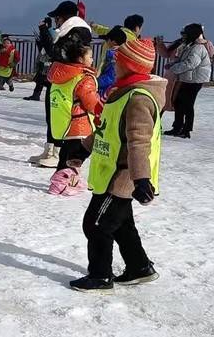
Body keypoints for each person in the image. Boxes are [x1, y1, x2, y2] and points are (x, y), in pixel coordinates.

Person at [70, 37, 165, 292]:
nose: (113, 64)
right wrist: (82, 149)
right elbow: (105, 129)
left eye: (117, 61)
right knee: (121, 225)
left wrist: (141, 179)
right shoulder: (120, 93)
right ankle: (140, 267)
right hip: (109, 172)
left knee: (97, 224)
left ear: (129, 66)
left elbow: (139, 141)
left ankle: (100, 276)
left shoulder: (138, 99)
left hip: (124, 177)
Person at [31, 1, 93, 167]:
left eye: (57, 17)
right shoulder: (67, 31)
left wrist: (44, 31)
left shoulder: (78, 31)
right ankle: (49, 149)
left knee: (61, 116)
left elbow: (57, 53)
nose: (56, 21)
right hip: (60, 77)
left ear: (64, 17)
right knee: (51, 115)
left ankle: (57, 152)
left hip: (69, 80)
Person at [47, 37, 101, 196]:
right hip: (80, 123)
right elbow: (91, 102)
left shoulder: (61, 75)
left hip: (65, 121)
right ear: (80, 59)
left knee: (67, 153)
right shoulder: (83, 78)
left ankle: (71, 180)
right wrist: (102, 110)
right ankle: (60, 181)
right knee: (78, 154)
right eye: (90, 56)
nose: (92, 59)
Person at [166, 23, 212, 139]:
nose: (183, 36)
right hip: (188, 78)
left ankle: (185, 130)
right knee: (179, 102)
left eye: (185, 33)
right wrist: (173, 64)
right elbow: (183, 60)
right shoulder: (190, 46)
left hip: (195, 80)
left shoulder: (197, 48)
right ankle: (178, 127)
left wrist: (173, 68)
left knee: (187, 104)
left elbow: (190, 64)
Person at [97, 26, 127, 97]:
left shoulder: (111, 54)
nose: (106, 42)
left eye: (107, 40)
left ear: (113, 42)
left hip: (106, 87)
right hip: (118, 87)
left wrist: (96, 81)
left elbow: (109, 74)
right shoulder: (124, 54)